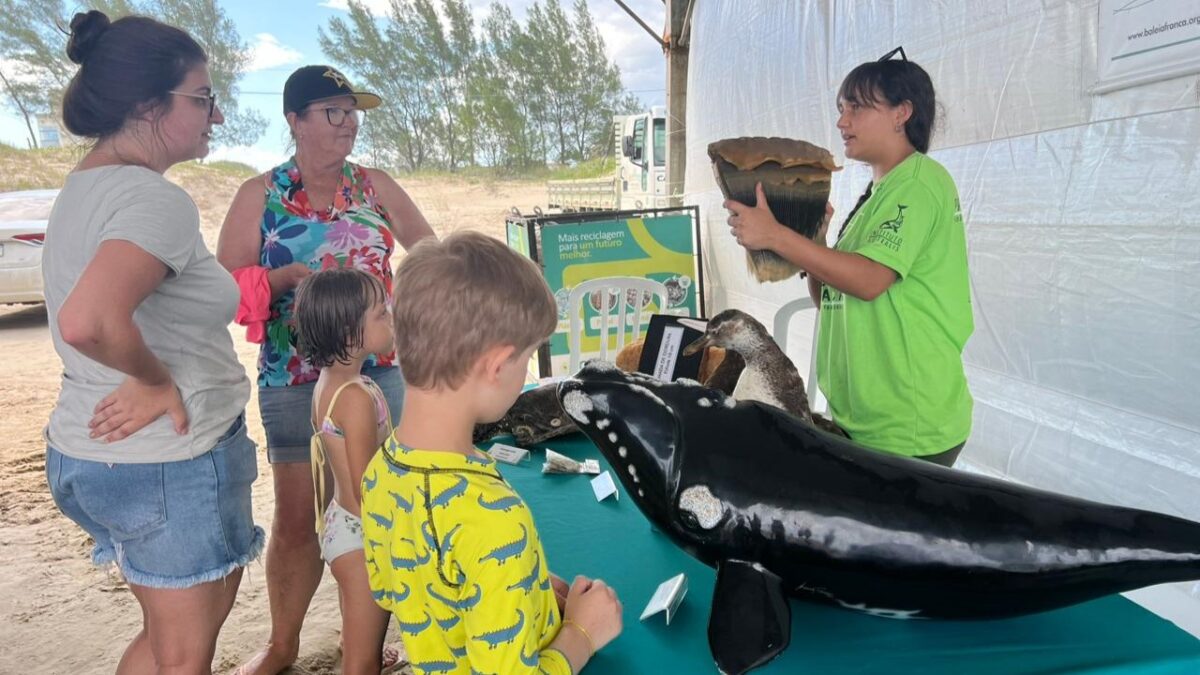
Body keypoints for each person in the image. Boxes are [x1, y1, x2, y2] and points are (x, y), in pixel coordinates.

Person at [42, 10, 261, 674]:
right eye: (201, 99)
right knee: (185, 656)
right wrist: (155, 379)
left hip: (95, 453)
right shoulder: (154, 200)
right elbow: (91, 320)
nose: (215, 118)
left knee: (168, 641)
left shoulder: (85, 186)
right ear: (147, 104)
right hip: (166, 460)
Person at [217, 64, 435, 674]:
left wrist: (411, 312)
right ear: (295, 120)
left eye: (353, 112)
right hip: (291, 375)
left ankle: (365, 643)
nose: (349, 124)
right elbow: (223, 286)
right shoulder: (258, 193)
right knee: (296, 514)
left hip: (380, 367)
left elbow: (432, 254)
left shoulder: (375, 186)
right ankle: (282, 644)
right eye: (333, 112)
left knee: (380, 502)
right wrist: (285, 280)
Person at [361, 231, 624, 674]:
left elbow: (393, 590)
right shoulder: (497, 521)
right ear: (498, 366)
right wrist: (583, 633)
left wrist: (530, 588)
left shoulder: (379, 469)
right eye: (525, 361)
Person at [725, 48, 973, 467]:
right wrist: (816, 246)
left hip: (909, 423)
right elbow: (831, 299)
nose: (842, 121)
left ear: (902, 113)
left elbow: (869, 282)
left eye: (856, 107)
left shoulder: (920, 183)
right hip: (866, 419)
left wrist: (778, 237)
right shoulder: (877, 197)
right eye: (841, 109)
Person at [291, 268, 396, 674]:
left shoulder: (332, 382)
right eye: (381, 314)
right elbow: (366, 487)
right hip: (362, 535)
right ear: (351, 332)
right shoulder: (353, 396)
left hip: (342, 527)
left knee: (357, 632)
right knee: (362, 659)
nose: (391, 318)